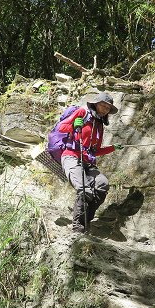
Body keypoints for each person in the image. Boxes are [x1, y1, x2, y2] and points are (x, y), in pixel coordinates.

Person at [57, 92, 123, 233]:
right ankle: (78, 227)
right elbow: (61, 127)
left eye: (108, 107)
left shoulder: (99, 125)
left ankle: (85, 221)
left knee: (102, 185)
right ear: (96, 103)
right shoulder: (82, 112)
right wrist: (74, 125)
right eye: (102, 105)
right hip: (72, 156)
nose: (105, 108)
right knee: (84, 190)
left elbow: (95, 150)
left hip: (88, 161)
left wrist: (112, 148)